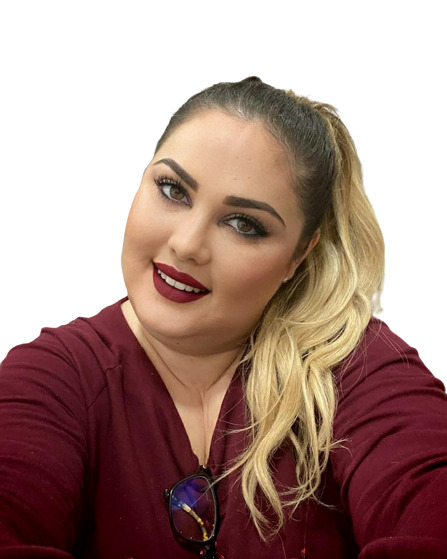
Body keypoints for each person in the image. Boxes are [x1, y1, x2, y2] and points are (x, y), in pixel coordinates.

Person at [0, 77, 446, 559]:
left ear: (299, 255)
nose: (187, 244)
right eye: (172, 189)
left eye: (244, 224)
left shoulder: (359, 365)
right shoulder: (49, 378)